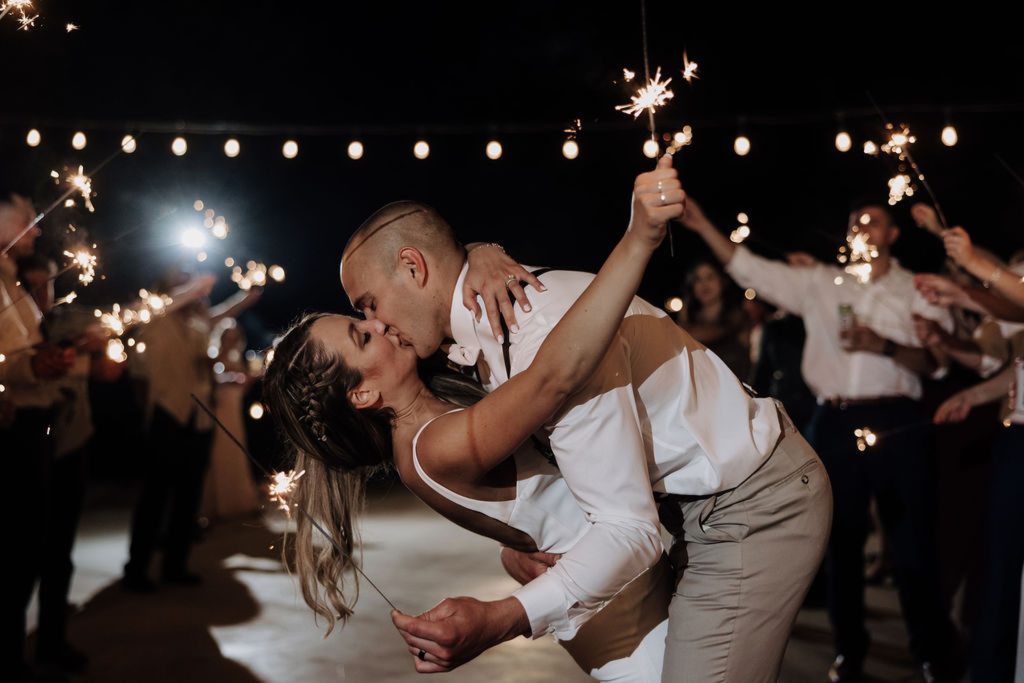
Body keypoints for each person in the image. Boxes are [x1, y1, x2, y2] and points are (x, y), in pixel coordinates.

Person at [340, 155, 832, 681]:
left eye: (369, 305)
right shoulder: (484, 328)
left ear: (414, 267)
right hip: (701, 513)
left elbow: (627, 528)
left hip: (753, 503)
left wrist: (503, 617)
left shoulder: (535, 330)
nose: (378, 325)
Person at [680, 196, 962, 682]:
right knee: (841, 545)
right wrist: (702, 222)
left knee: (912, 543)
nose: (862, 227)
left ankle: (930, 652)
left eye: (873, 220)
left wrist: (886, 346)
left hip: (897, 421)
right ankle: (849, 652)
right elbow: (750, 269)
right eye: (855, 221)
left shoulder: (914, 289)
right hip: (832, 421)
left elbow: (937, 363)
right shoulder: (823, 283)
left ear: (893, 234)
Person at [0, 194, 75, 682]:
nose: (38, 229)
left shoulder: (12, 284)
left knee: (31, 548)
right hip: (12, 433)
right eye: (28, 219)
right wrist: (32, 364)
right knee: (15, 550)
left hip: (34, 426)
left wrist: (49, 359)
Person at [675, 259, 751, 378]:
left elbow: (712, 333)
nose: (704, 285)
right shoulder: (690, 319)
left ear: (722, 281)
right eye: (697, 280)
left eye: (710, 277)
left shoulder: (736, 315)